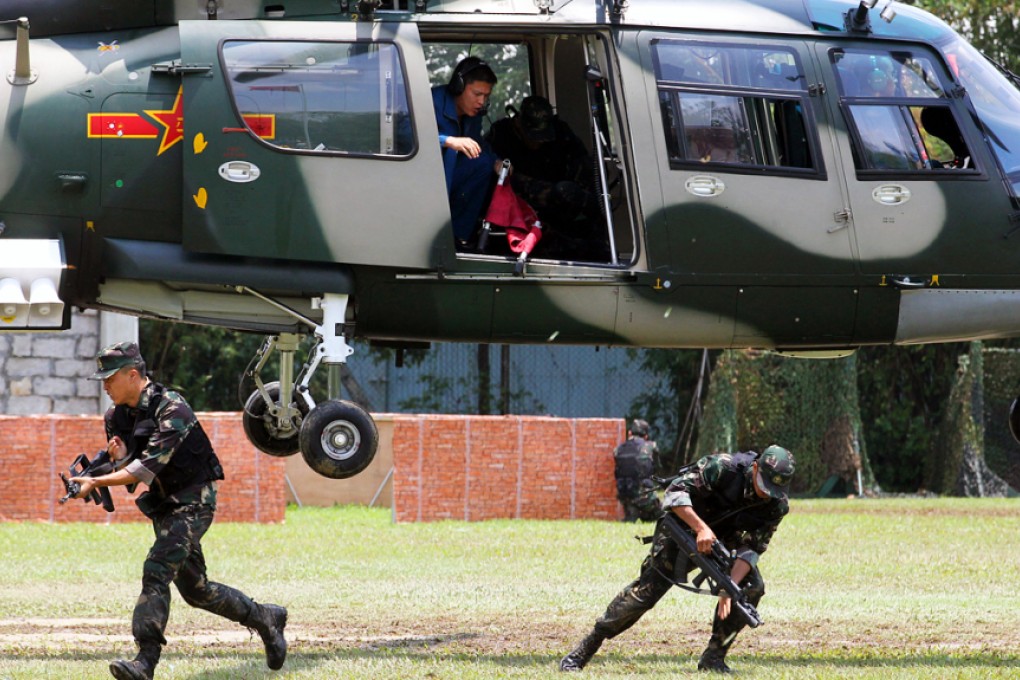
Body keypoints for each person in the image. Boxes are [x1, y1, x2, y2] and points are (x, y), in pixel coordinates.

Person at [70, 342, 288, 680]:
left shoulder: (172, 408)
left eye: (110, 378)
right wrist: (117, 458)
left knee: (156, 569)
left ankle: (145, 661)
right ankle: (265, 618)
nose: (105, 386)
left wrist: (95, 483)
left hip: (194, 500)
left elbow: (144, 470)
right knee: (196, 590)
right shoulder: (115, 417)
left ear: (133, 375)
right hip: (165, 505)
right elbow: (130, 472)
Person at [560, 445, 795, 674]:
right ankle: (585, 648)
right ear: (755, 468)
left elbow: (753, 547)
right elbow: (674, 492)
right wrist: (700, 528)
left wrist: (728, 587)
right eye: (763, 485)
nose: (766, 493)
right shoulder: (723, 467)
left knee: (751, 589)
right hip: (681, 529)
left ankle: (713, 658)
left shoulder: (777, 505)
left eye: (773, 490)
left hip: (721, 543)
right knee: (646, 593)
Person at [486, 96, 602, 257]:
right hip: (520, 204)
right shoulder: (500, 135)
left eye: (543, 137)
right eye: (533, 136)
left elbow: (586, 166)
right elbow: (494, 176)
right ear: (519, 123)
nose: (539, 143)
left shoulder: (561, 132)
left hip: (560, 200)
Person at [432, 56, 503, 249]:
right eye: (477, 94)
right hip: (427, 182)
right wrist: (447, 141)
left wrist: (498, 162)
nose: (482, 102)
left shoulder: (473, 117)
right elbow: (404, 135)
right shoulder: (431, 102)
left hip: (451, 178)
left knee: (483, 162)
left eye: (486, 96)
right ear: (458, 87)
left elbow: (478, 144)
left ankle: (459, 237)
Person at [612, 419, 661, 522]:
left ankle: (632, 515)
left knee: (632, 515)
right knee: (661, 515)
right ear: (646, 436)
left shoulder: (618, 450)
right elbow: (657, 468)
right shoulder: (651, 446)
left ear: (629, 433)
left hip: (625, 497)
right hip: (645, 498)